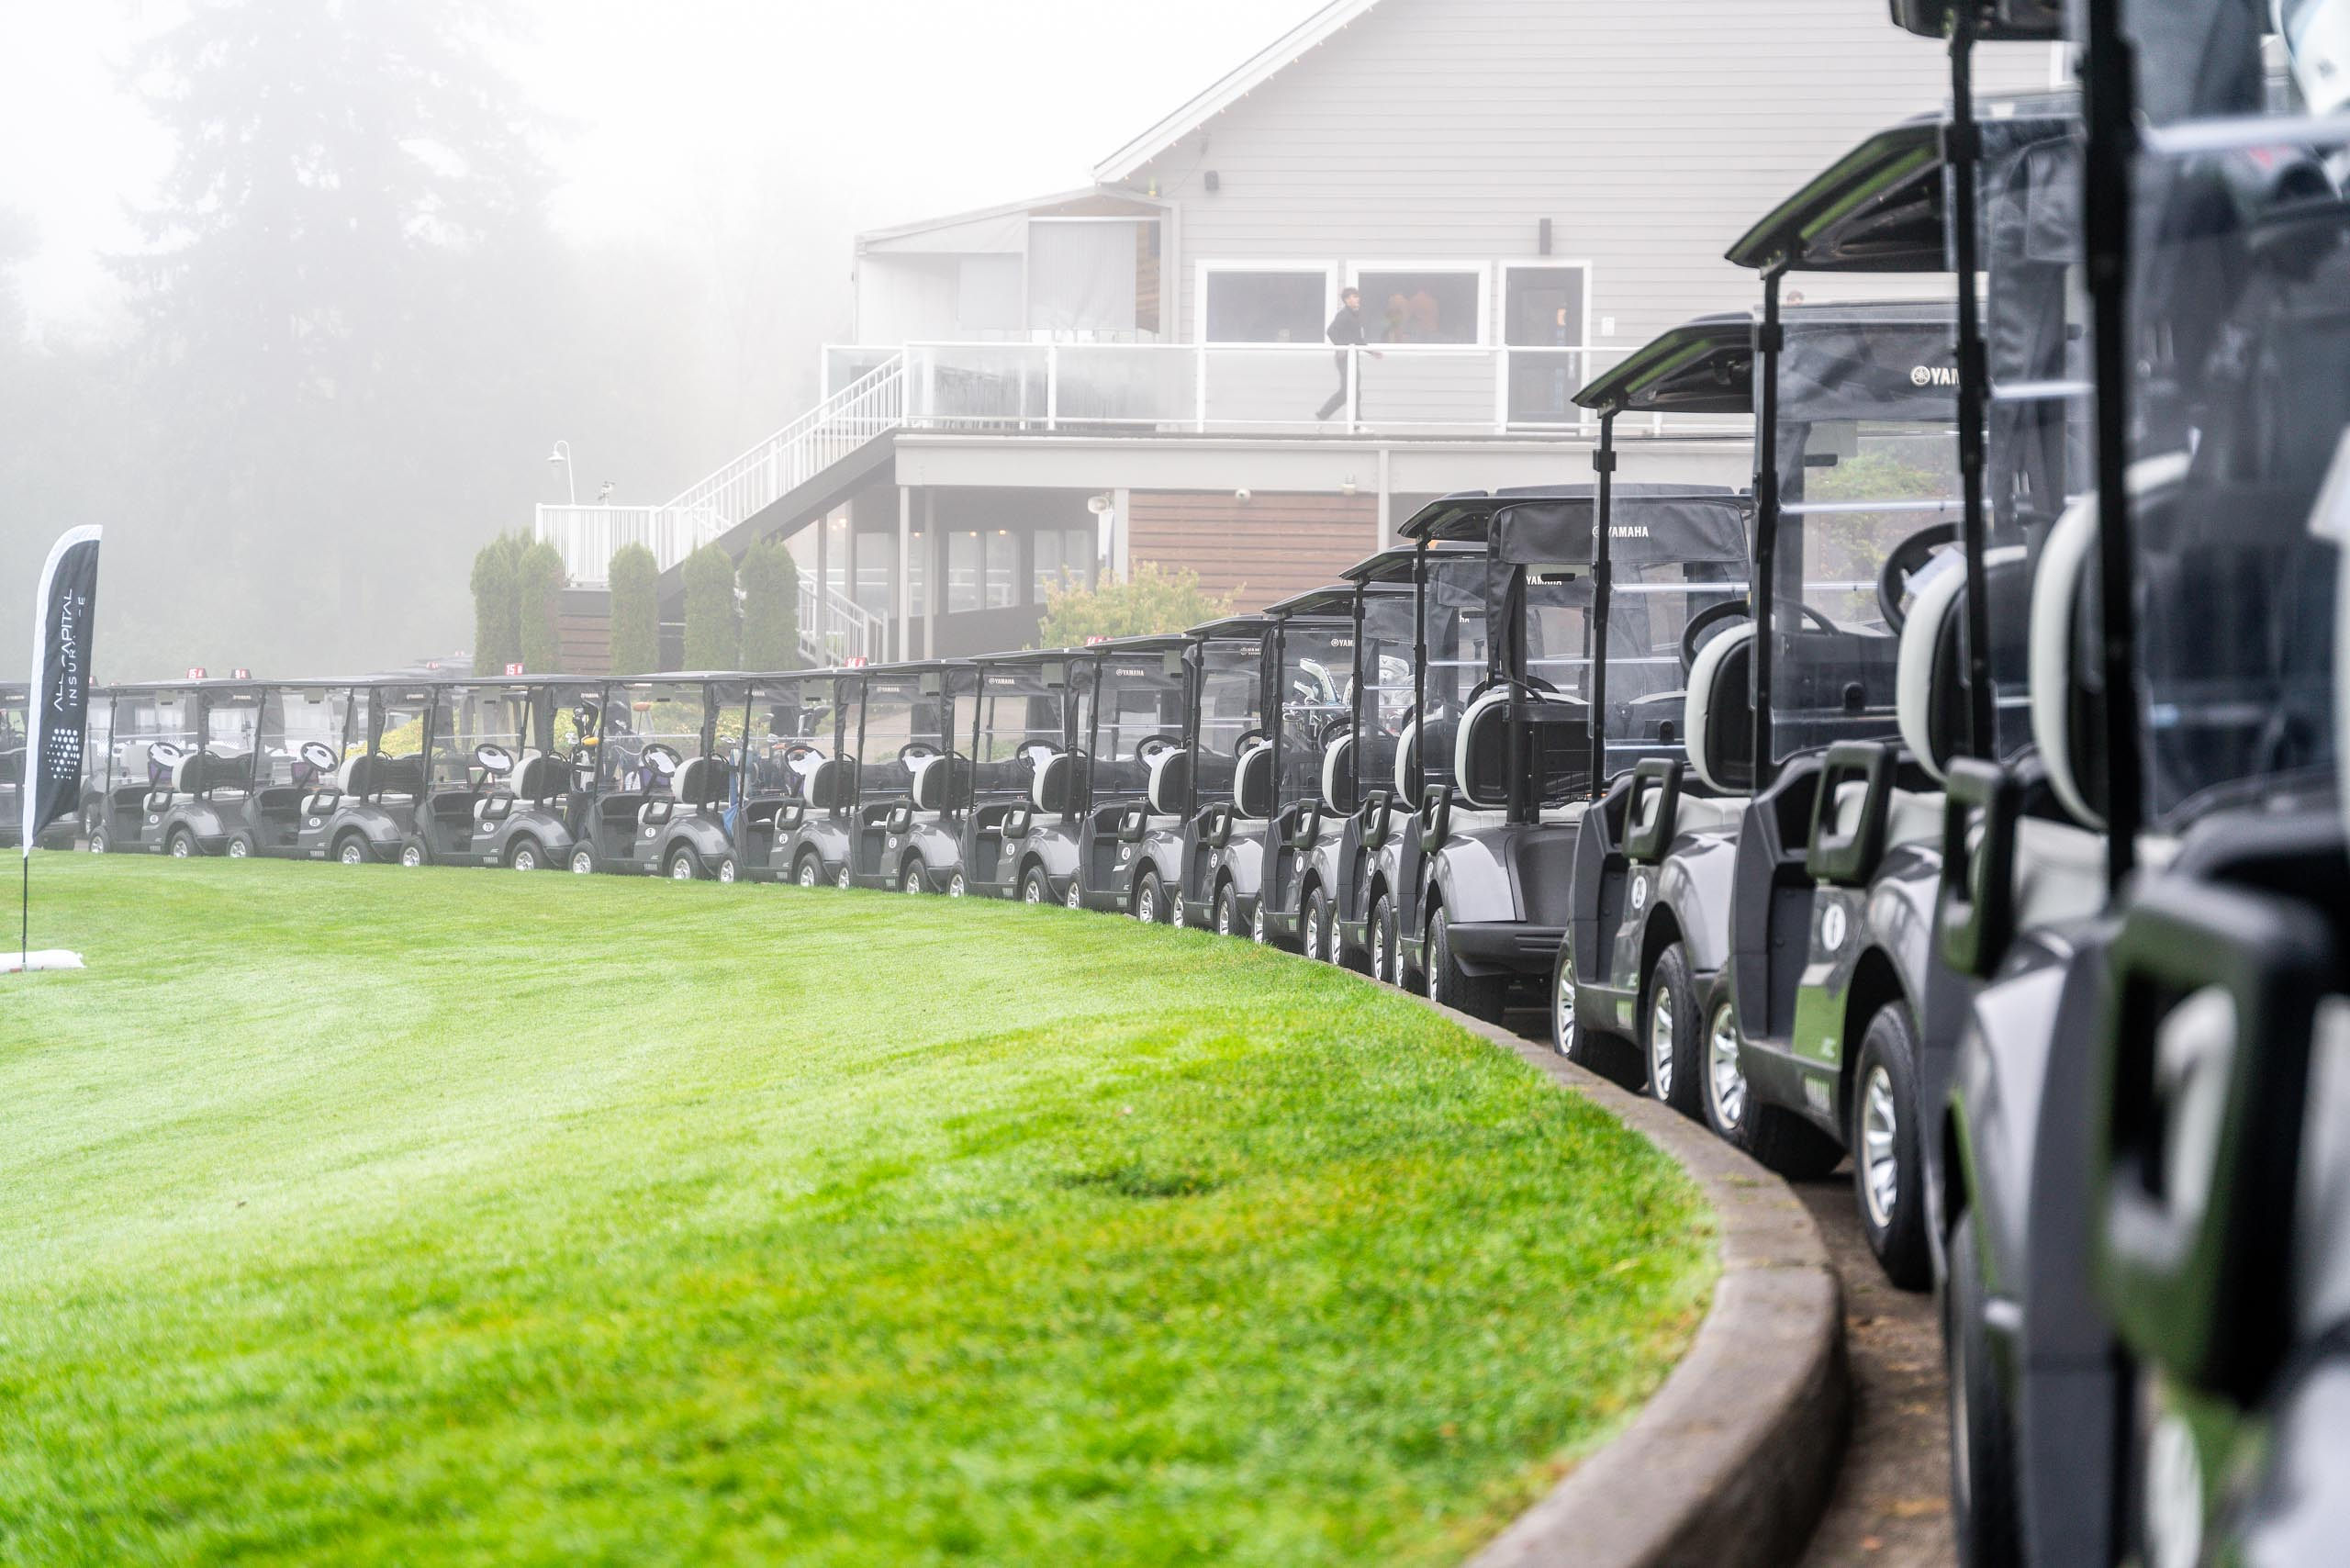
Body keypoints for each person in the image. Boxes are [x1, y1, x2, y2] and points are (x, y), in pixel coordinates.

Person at [1316, 287, 1379, 421]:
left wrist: (1372, 352)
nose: (1353, 299)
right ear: (1345, 301)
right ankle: (1356, 423)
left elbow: (1358, 340)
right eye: (1349, 298)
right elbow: (1331, 331)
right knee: (1352, 390)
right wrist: (1341, 348)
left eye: (1355, 296)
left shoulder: (1356, 316)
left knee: (1350, 391)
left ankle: (1323, 415)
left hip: (1352, 356)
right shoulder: (1344, 314)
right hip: (1344, 358)